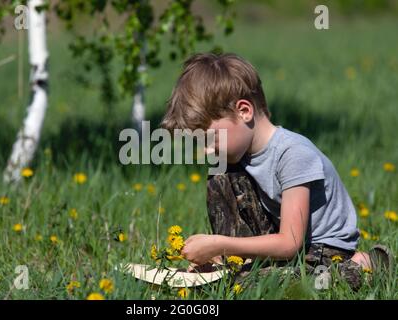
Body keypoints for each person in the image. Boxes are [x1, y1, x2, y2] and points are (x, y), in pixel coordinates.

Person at [161, 52, 393, 290]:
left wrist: (220, 244)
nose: (207, 150)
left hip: (323, 251)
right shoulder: (235, 158)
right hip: (288, 246)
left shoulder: (293, 154)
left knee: (261, 286)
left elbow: (290, 243)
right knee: (221, 176)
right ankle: (232, 265)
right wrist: (216, 257)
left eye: (209, 138)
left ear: (244, 111)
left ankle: (363, 266)